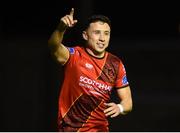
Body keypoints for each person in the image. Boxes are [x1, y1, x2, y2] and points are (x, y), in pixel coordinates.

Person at [48, 8, 133, 132]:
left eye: (106, 33)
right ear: (85, 35)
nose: (102, 38)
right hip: (70, 129)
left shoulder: (116, 63)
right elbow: (53, 46)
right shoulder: (74, 56)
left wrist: (120, 107)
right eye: (97, 33)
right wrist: (61, 28)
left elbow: (128, 102)